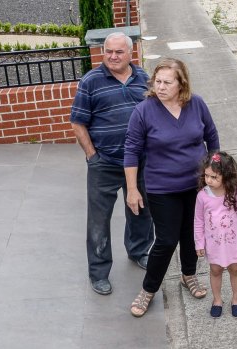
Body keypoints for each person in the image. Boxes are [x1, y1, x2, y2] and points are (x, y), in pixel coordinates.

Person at [124, 57, 220, 317]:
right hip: (162, 188)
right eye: (158, 81)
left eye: (168, 82)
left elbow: (211, 137)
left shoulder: (196, 104)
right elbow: (131, 152)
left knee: (192, 234)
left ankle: (188, 275)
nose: (161, 87)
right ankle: (148, 289)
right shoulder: (144, 111)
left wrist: (215, 170)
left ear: (181, 84)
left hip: (197, 185)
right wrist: (132, 190)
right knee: (166, 240)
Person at [70, 31, 154, 296]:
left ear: (131, 53)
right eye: (108, 51)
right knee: (99, 220)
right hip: (104, 163)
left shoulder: (144, 79)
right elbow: (77, 121)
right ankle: (98, 272)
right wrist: (92, 156)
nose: (113, 56)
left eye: (119, 52)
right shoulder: (91, 81)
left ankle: (139, 251)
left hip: (140, 162)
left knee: (141, 209)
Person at [194, 151, 237, 318]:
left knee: (235, 268)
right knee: (215, 270)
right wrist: (199, 243)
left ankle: (236, 299)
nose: (208, 180)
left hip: (234, 242)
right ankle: (217, 300)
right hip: (213, 244)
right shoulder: (202, 196)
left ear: (226, 176)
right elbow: (198, 221)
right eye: (207, 176)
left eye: (214, 177)